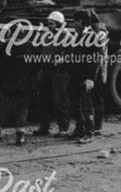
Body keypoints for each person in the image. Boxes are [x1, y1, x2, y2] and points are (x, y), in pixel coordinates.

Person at [0, 21, 34, 147]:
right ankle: (20, 136)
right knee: (21, 109)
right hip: (23, 84)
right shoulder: (29, 46)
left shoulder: (4, 45)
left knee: (1, 108)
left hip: (6, 83)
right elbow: (35, 64)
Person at [67, 10, 105, 144]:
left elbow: (95, 59)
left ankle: (88, 132)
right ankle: (79, 129)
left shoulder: (91, 37)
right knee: (75, 104)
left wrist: (90, 78)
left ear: (81, 22)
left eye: (75, 21)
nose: (73, 23)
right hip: (76, 76)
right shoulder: (78, 36)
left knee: (86, 105)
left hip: (85, 77)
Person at [33, 10, 71, 138]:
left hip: (60, 72)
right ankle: (44, 126)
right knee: (43, 99)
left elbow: (72, 55)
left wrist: (63, 59)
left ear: (59, 24)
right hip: (46, 69)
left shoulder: (66, 37)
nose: (49, 25)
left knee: (60, 99)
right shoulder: (47, 36)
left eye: (52, 23)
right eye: (48, 23)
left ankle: (63, 127)